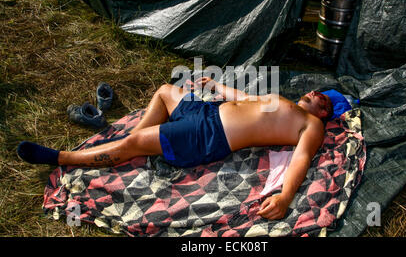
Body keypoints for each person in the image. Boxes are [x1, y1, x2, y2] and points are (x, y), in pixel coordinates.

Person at [17, 77, 333, 220]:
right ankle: (129, 143)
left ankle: (61, 158)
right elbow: (247, 100)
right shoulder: (287, 103)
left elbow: (302, 157)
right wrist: (215, 87)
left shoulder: (312, 125)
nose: (320, 94)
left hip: (210, 134)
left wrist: (286, 195)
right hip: (208, 112)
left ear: (323, 114)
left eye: (326, 101)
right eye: (319, 92)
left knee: (135, 143)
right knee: (166, 91)